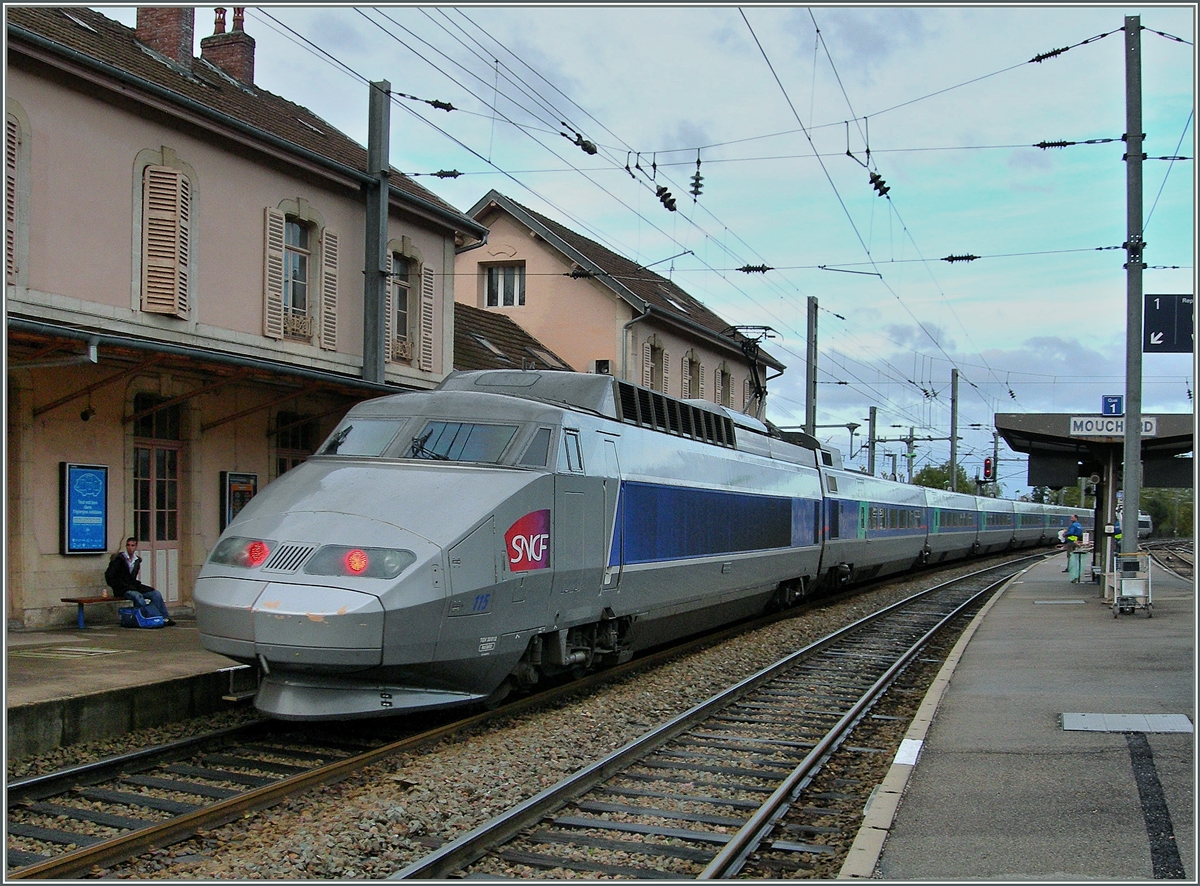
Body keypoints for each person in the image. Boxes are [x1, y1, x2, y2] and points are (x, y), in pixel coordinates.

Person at [105, 537, 176, 625]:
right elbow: (109, 576)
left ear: (136, 547)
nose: (130, 548)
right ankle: (147, 617)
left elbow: (132, 578)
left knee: (155, 594)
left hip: (133, 585)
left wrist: (135, 585)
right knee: (138, 597)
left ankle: (164, 618)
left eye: (132, 545)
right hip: (122, 588)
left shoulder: (137, 560)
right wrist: (118, 586)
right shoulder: (119, 559)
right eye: (128, 545)